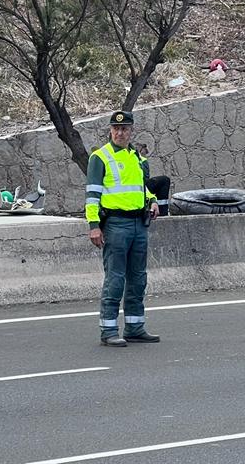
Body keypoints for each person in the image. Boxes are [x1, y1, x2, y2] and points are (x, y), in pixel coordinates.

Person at [86, 110, 160, 346]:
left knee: (138, 278)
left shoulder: (138, 158)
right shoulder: (100, 157)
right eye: (116, 129)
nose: (120, 132)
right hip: (116, 225)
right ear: (110, 130)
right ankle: (108, 331)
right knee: (115, 278)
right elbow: (92, 196)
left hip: (139, 224)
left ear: (131, 131)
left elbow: (140, 187)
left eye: (125, 128)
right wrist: (94, 226)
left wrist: (152, 200)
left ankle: (135, 327)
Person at [135, 141, 171, 216]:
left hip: (139, 187)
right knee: (164, 180)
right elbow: (144, 178)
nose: (147, 152)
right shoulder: (140, 159)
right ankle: (162, 211)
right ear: (141, 150)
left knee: (162, 181)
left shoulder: (139, 159)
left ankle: (159, 208)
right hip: (138, 188)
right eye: (145, 150)